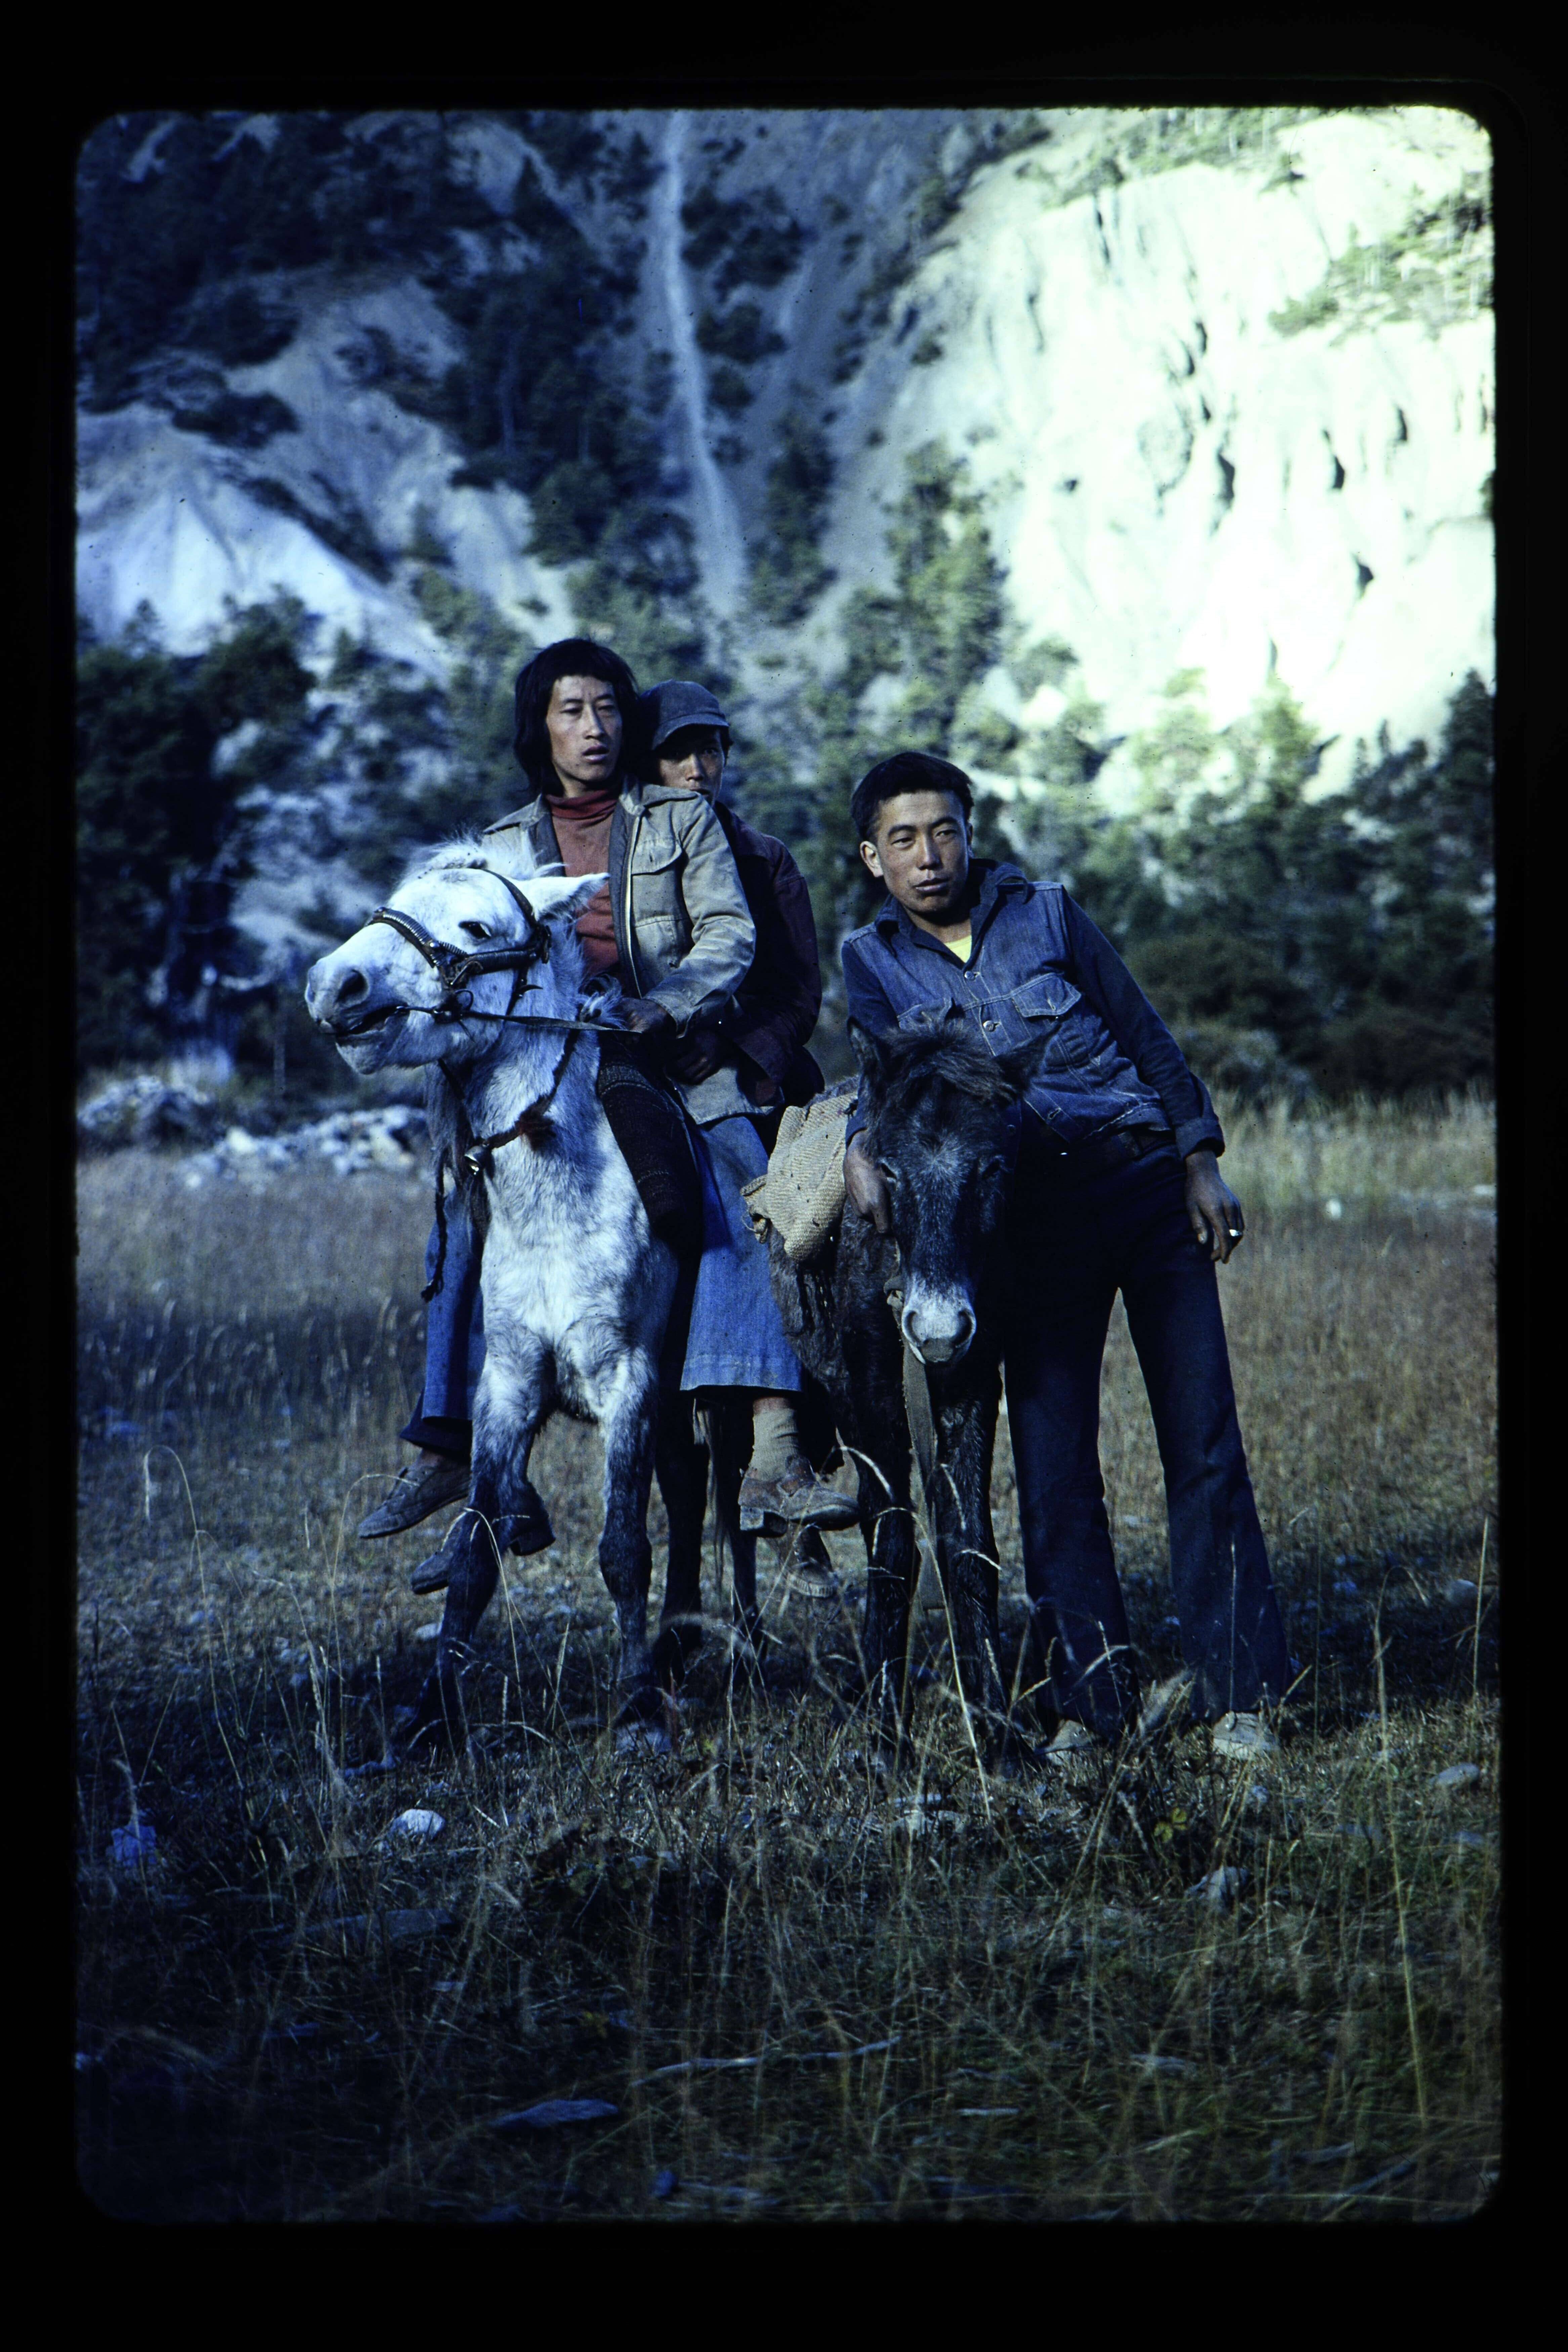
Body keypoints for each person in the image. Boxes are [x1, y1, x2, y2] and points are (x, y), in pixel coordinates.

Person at [839, 751, 1291, 1762]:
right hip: (1030, 1225)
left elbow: (1148, 1036)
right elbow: (885, 1085)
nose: (929, 855)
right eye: (904, 839)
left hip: (1141, 1181)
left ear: (970, 832)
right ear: (873, 858)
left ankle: (1242, 1696)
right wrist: (857, 1146)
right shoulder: (869, 960)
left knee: (1202, 1440)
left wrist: (1200, 1160)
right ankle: (1090, 1704)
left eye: (944, 830)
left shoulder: (1047, 913)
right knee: (1053, 1463)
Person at [635, 679, 848, 1534]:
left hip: (749, 1075)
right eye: (677, 752)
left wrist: (732, 1046)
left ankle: (798, 1442)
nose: (697, 766)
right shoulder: (621, 852)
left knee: (793, 1214)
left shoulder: (764, 857)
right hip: (638, 1068)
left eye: (711, 748)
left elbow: (799, 992)